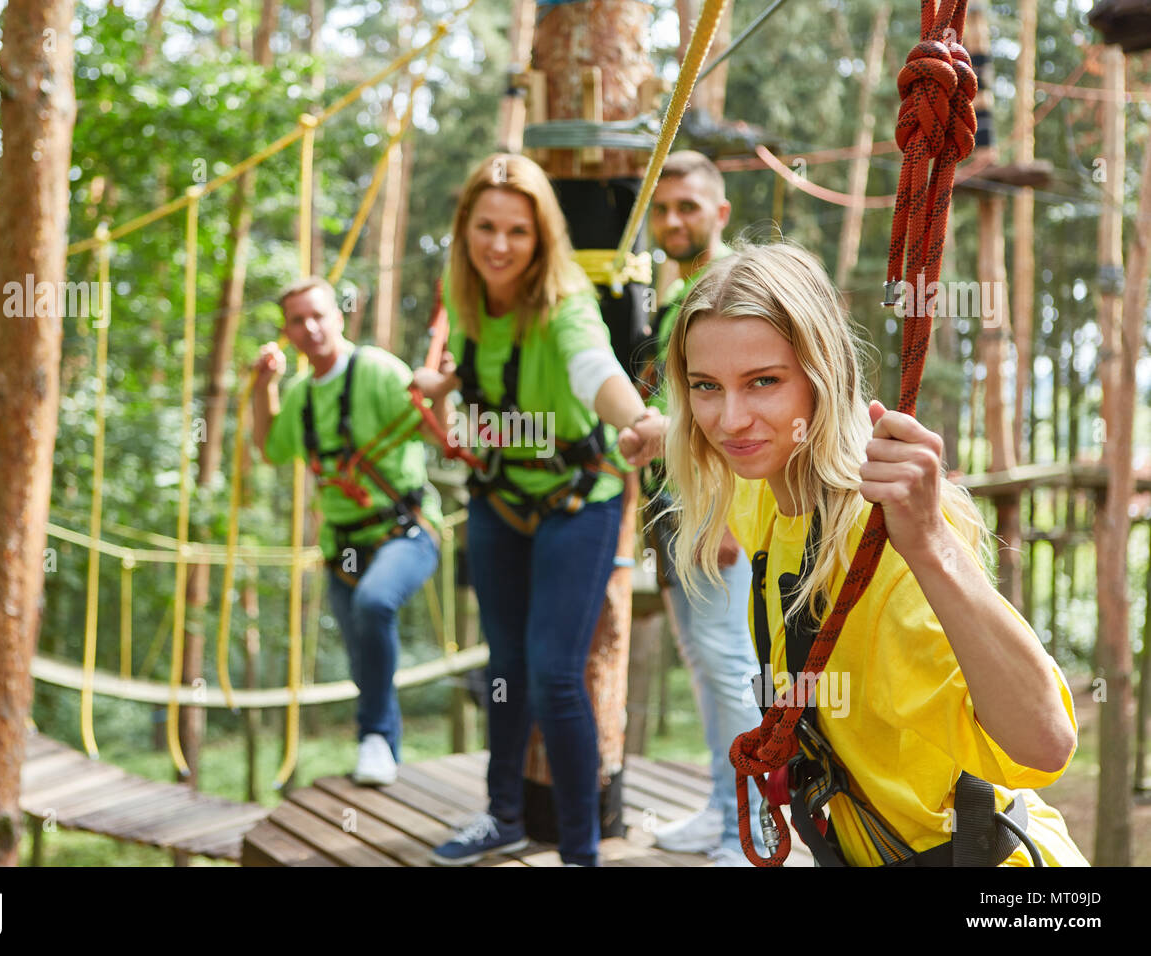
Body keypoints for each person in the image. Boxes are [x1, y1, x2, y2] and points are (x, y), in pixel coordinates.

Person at [662, 240, 1086, 866]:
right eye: (706, 386)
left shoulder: (884, 547)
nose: (730, 420)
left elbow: (1046, 744)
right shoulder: (766, 494)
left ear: (823, 376)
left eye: (764, 382)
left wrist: (933, 544)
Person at [412, 153, 667, 867]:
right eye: (486, 228)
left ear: (541, 238)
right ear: (465, 231)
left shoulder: (567, 304)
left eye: (517, 232)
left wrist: (636, 419)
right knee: (506, 664)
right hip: (498, 498)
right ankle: (503, 816)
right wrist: (443, 380)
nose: (499, 245)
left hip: (577, 500)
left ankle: (581, 852)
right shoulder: (465, 301)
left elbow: (594, 367)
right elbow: (483, 360)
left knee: (557, 672)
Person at [252, 276, 442, 787]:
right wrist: (262, 387)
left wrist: (439, 385)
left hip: (406, 533)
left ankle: (372, 737)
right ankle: (386, 753)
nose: (310, 327)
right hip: (343, 547)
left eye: (318, 315)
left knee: (374, 605)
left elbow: (432, 428)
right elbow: (270, 448)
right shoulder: (301, 396)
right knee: (362, 653)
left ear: (339, 316)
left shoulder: (377, 370)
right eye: (297, 320)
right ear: (288, 333)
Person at [640, 150, 766, 863]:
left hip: (718, 506)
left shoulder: (723, 288)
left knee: (729, 667)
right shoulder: (678, 292)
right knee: (704, 663)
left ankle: (748, 830)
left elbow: (740, 414)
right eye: (661, 208)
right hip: (675, 504)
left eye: (687, 206)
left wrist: (724, 512)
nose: (672, 220)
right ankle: (724, 806)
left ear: (719, 213)